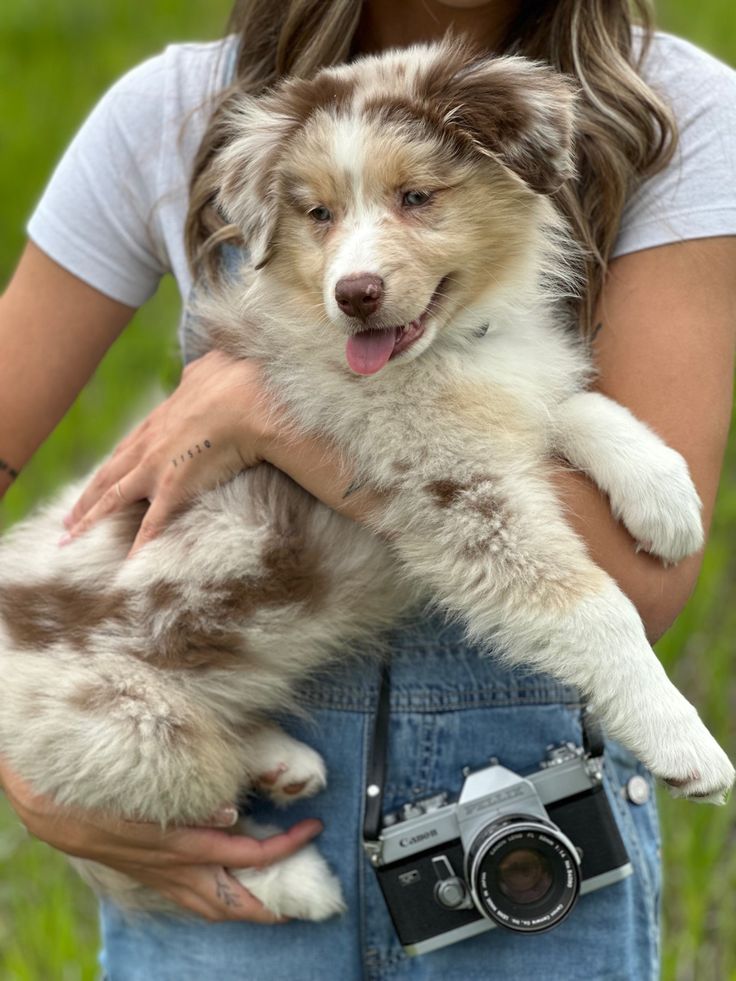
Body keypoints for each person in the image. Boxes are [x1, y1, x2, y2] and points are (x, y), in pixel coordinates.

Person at [1, 0, 735, 977]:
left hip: (522, 816)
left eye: (417, 199)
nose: (356, 263)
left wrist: (270, 413)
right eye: (321, 216)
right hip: (212, 809)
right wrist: (25, 741)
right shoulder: (176, 109)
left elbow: (646, 583)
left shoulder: (675, 112)